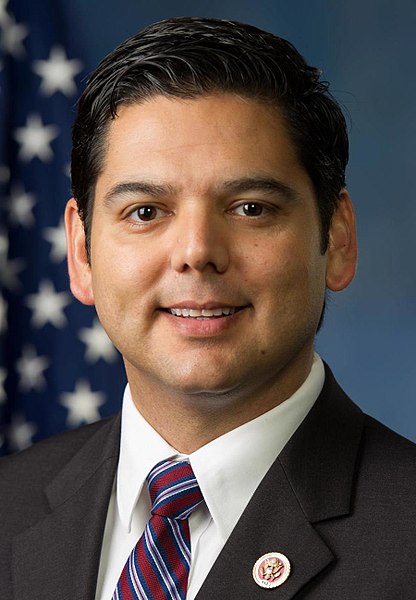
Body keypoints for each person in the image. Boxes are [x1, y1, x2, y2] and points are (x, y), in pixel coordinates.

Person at [1, 16, 415, 600]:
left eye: (250, 208)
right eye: (145, 211)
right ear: (81, 251)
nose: (197, 253)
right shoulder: (8, 507)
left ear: (338, 239)